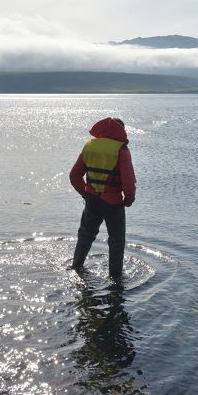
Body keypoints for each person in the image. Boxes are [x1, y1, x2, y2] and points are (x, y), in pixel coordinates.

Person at [70, 117, 136, 280]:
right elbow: (128, 183)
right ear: (120, 131)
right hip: (113, 203)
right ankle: (115, 279)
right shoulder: (121, 150)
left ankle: (76, 266)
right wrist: (128, 201)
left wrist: (85, 193)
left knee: (85, 235)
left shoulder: (90, 146)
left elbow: (74, 175)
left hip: (92, 200)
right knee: (116, 241)